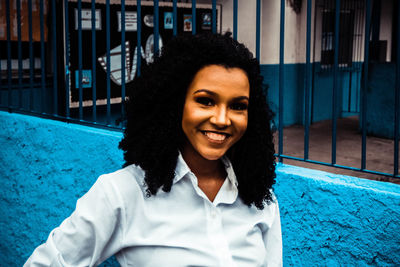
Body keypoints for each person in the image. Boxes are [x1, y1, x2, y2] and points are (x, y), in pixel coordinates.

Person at [25, 32, 282, 266]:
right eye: (205, 101)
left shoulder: (260, 198)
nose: (222, 119)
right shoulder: (122, 194)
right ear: (175, 103)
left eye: (238, 106)